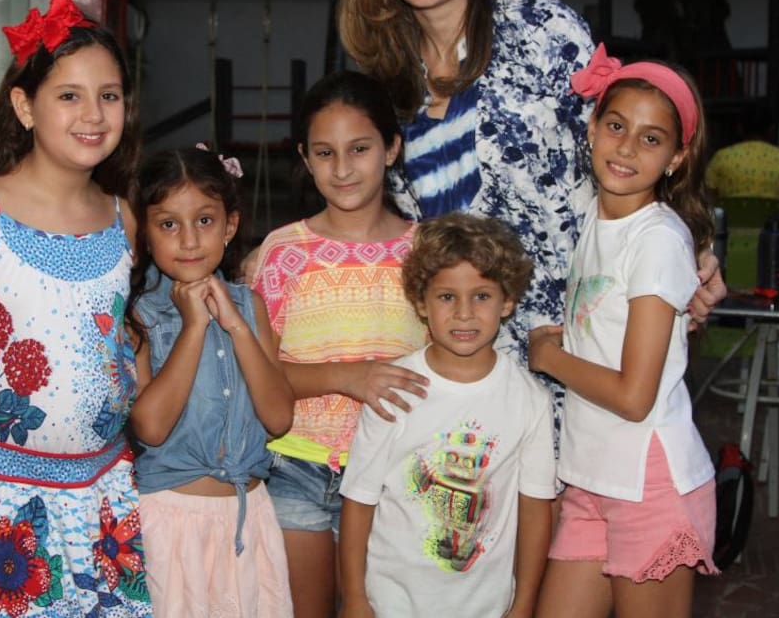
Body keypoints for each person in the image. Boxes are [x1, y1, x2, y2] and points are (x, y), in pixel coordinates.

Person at [336, 0, 724, 390]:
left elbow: (629, 143)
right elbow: (388, 223)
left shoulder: (540, 30)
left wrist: (692, 245)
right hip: (471, 360)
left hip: (581, 335)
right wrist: (290, 245)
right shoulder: (387, 82)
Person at [0, 0, 151, 617]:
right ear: (25, 106)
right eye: (69, 96)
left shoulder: (122, 218)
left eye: (108, 95)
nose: (93, 113)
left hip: (102, 494)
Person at [529, 45, 719, 618]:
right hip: (588, 479)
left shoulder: (657, 240)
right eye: (616, 126)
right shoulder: (591, 216)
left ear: (676, 158)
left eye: (651, 139)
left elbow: (636, 397)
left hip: (650, 483)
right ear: (592, 128)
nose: (628, 148)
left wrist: (548, 355)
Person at [249, 72, 428, 617]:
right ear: (305, 158)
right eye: (325, 153)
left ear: (392, 148)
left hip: (396, 475)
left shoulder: (429, 253)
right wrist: (346, 376)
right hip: (295, 469)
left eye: (360, 149)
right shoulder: (282, 254)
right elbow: (260, 376)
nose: (343, 169)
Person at [337, 213, 554, 618]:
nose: (464, 313)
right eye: (447, 296)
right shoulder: (393, 388)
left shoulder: (530, 400)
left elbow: (536, 508)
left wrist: (524, 603)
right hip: (392, 602)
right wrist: (353, 597)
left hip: (487, 605)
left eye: (482, 296)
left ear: (507, 300)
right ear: (421, 302)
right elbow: (359, 500)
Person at [127, 146, 295, 617]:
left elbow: (279, 417)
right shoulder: (140, 317)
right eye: (168, 224)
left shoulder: (250, 307)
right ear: (146, 235)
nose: (188, 240)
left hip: (250, 518)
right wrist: (194, 326)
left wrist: (237, 326)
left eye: (204, 220)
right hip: (171, 521)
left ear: (230, 226)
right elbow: (151, 426)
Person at [705, 103, 779, 216]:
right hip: (772, 232)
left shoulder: (721, 158)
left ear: (740, 128)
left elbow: (708, 202)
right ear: (771, 130)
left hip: (731, 231)